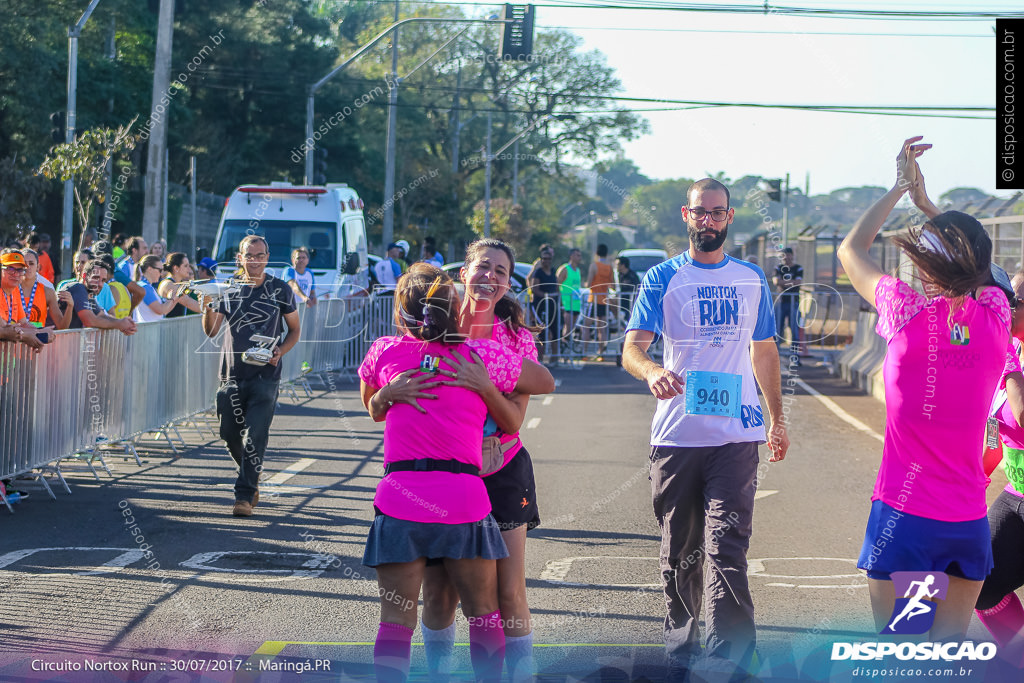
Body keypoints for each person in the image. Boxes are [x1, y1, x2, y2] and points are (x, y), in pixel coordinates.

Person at [838, 136, 1017, 642]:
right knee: (949, 655)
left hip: (904, 515)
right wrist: (929, 206)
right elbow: (982, 270)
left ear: (923, 266)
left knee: (902, 655)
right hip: (967, 519)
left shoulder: (903, 310)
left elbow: (850, 249)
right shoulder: (995, 317)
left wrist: (900, 188)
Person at [622, 177, 788, 677]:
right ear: (686, 215)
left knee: (728, 546)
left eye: (718, 213)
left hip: (736, 435)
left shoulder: (751, 278)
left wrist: (777, 418)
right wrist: (651, 371)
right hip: (677, 436)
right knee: (681, 551)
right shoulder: (662, 278)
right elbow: (632, 348)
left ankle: (730, 657)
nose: (709, 221)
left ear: (730, 218)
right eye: (701, 212)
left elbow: (764, 351)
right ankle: (681, 651)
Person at [358, 263, 552, 683]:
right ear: (455, 307)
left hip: (400, 500)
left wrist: (389, 394)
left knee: (395, 621)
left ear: (401, 312)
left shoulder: (384, 351)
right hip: (463, 500)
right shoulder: (483, 356)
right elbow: (546, 382)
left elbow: (371, 405)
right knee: (483, 612)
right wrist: (486, 382)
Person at [202, 235, 300, 517]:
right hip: (231, 375)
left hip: (266, 376)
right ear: (240, 258)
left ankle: (243, 495)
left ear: (268, 257)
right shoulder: (228, 288)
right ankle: (251, 473)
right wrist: (209, 303)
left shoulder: (280, 289)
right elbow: (211, 331)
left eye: (260, 255)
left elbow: (294, 329)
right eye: (250, 255)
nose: (255, 260)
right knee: (229, 433)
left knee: (255, 435)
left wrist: (280, 351)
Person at [974, 271, 1024, 666]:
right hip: (1017, 494)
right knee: (980, 584)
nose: (1005, 307)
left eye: (1014, 301)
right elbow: (995, 427)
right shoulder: (1009, 348)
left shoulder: (1011, 353)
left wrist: (1008, 362)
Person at [57, 258, 137, 335]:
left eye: (103, 280)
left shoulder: (89, 295)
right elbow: (90, 320)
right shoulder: (78, 288)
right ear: (84, 276)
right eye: (96, 278)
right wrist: (120, 324)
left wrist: (122, 322)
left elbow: (101, 316)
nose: (100, 284)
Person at [20, 248, 71, 330]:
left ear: (38, 267)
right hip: (13, 341)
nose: (27, 267)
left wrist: (70, 307)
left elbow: (62, 326)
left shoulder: (47, 292)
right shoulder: (10, 289)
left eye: (31, 263)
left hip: (37, 341)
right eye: (24, 264)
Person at [527, 245, 560, 362]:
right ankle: (539, 359)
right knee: (541, 331)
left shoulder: (553, 271)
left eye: (548, 259)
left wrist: (557, 298)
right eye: (544, 259)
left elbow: (557, 287)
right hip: (540, 306)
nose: (546, 261)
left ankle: (555, 358)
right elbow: (535, 288)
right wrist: (546, 296)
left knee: (555, 330)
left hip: (552, 306)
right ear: (541, 260)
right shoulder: (538, 272)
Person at [133, 255, 187, 323]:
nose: (161, 274)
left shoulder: (147, 286)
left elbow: (164, 312)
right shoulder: (145, 287)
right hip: (149, 331)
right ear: (149, 269)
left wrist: (177, 297)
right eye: (159, 270)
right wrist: (172, 299)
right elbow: (161, 310)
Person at [773, 247, 804, 363]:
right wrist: (791, 283)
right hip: (781, 302)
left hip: (794, 303)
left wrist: (785, 283)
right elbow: (777, 281)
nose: (786, 257)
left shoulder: (798, 268)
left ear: (792, 255)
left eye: (788, 255)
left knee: (794, 330)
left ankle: (795, 356)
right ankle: (775, 357)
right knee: (777, 330)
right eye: (784, 255)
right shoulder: (779, 268)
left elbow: (798, 282)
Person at [585, 243, 615, 359]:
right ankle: (601, 353)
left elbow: (588, 283)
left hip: (593, 299)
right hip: (604, 300)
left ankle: (584, 352)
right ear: (606, 254)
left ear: (596, 253)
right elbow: (612, 285)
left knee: (586, 326)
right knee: (601, 328)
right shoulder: (609, 267)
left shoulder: (594, 266)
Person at [158, 253, 202, 317]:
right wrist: (213, 308)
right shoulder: (168, 284)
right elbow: (192, 304)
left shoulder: (179, 283)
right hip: (167, 326)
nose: (189, 269)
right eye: (185, 266)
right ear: (176, 268)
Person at [557, 248, 583, 342]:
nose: (579, 257)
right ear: (571, 256)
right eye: (577, 255)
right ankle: (564, 347)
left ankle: (567, 348)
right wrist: (559, 299)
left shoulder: (578, 270)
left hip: (576, 303)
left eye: (580, 255)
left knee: (571, 329)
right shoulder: (565, 269)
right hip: (567, 303)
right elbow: (557, 284)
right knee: (567, 329)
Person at [614, 255, 641, 327]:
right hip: (623, 300)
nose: (616, 266)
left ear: (623, 265)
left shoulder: (632, 275)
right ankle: (619, 321)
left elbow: (636, 288)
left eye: (617, 264)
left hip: (631, 301)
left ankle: (621, 322)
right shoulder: (620, 274)